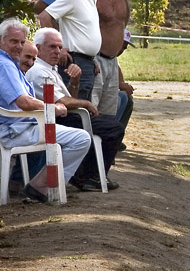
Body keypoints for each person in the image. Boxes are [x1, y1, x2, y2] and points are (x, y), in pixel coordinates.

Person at [0, 19, 90, 202]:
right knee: (81, 139)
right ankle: (41, 187)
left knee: (76, 134)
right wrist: (53, 108)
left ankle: (40, 185)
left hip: (18, 126)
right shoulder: (1, 64)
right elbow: (23, 102)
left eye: (21, 42)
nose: (19, 46)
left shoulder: (6, 62)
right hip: (12, 130)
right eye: (13, 41)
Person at [26, 28, 124, 191]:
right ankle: (89, 176)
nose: (57, 51)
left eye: (59, 47)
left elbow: (68, 98)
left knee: (110, 124)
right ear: (38, 48)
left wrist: (75, 81)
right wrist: (85, 104)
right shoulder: (38, 71)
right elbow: (60, 101)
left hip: (64, 115)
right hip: (53, 119)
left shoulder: (51, 69)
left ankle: (90, 175)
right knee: (113, 128)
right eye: (52, 47)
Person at [37, 0, 103, 103]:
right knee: (77, 109)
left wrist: (92, 60)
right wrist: (59, 49)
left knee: (84, 108)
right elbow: (44, 16)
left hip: (86, 62)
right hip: (75, 62)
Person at [92, 0, 132, 117]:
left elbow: (123, 20)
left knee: (109, 110)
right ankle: (90, 141)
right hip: (96, 59)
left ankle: (108, 141)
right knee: (93, 108)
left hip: (112, 59)